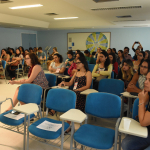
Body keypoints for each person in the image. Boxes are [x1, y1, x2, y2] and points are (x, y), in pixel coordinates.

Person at [122, 72, 150, 150]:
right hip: (146, 129)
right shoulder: (148, 94)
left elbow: (143, 122)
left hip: (147, 131)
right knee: (126, 143)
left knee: (127, 144)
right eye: (146, 79)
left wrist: (141, 101)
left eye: (149, 80)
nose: (145, 82)